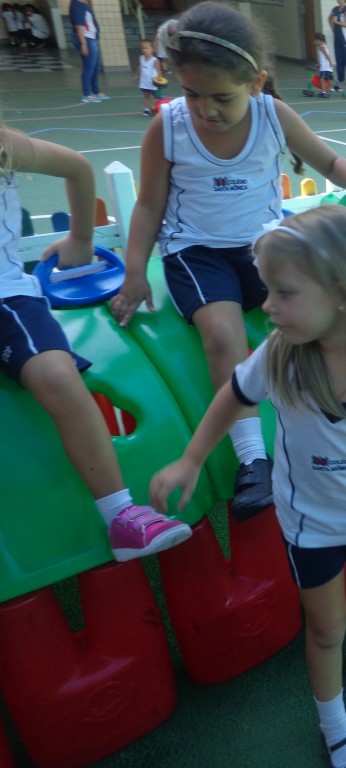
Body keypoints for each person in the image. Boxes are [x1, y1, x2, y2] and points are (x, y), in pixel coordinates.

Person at [149, 205, 346, 768]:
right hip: (308, 523)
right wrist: (191, 459)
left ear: (343, 293)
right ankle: (334, 727)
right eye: (269, 290)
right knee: (325, 628)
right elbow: (233, 395)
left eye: (284, 292)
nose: (267, 305)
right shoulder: (280, 355)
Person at [110, 1, 346, 523]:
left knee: (327, 310)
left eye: (221, 96)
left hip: (264, 247)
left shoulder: (272, 114)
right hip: (197, 251)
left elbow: (329, 160)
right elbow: (149, 204)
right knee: (222, 334)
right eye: (191, 93)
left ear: (256, 82)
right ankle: (253, 460)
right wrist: (135, 271)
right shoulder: (168, 127)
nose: (205, 109)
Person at [0, 125, 193, 561]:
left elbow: (77, 167)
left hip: (7, 298)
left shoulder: (5, 146)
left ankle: (121, 514)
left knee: (56, 372)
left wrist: (82, 237)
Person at [69, 0, 106, 103]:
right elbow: (79, 26)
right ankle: (86, 94)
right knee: (89, 67)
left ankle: (95, 92)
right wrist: (83, 43)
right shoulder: (77, 5)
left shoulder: (83, 5)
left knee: (96, 67)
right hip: (87, 38)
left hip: (91, 38)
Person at [328, 0, 346, 96]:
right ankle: (340, 82)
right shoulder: (335, 9)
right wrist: (333, 28)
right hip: (337, 39)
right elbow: (329, 19)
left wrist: (336, 22)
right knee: (339, 62)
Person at [133, 39, 162, 116]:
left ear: (152, 49)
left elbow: (159, 71)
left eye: (147, 48)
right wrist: (136, 75)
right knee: (146, 96)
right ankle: (147, 109)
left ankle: (158, 108)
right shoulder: (141, 58)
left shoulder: (155, 60)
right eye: (143, 48)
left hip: (153, 83)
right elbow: (140, 67)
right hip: (144, 82)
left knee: (156, 96)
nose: (145, 50)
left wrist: (159, 79)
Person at [313, 32, 333, 98]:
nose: (314, 42)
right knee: (325, 79)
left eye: (315, 41)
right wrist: (319, 63)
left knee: (322, 79)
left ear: (319, 40)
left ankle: (324, 92)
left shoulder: (322, 47)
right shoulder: (322, 47)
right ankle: (325, 91)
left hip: (325, 67)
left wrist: (330, 62)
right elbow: (322, 57)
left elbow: (327, 55)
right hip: (325, 67)